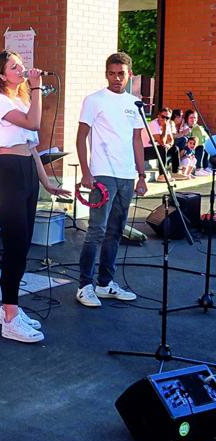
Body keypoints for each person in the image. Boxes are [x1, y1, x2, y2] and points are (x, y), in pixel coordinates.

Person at [0, 50, 70, 343]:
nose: (21, 69)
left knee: (24, 244)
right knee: (15, 245)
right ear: (0, 75)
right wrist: (35, 88)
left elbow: (33, 148)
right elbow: (33, 124)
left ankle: (10, 308)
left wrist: (47, 183)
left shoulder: (20, 100)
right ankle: (9, 315)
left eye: (21, 64)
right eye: (14, 67)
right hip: (8, 172)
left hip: (27, 172)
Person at [74, 52, 147, 309]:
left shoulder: (135, 103)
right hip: (103, 174)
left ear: (129, 75)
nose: (117, 78)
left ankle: (105, 283)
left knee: (116, 231)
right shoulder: (94, 100)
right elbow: (81, 137)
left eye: (122, 73)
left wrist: (141, 174)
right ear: (106, 74)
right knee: (97, 230)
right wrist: (86, 171)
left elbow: (137, 140)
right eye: (112, 73)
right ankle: (85, 286)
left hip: (127, 176)